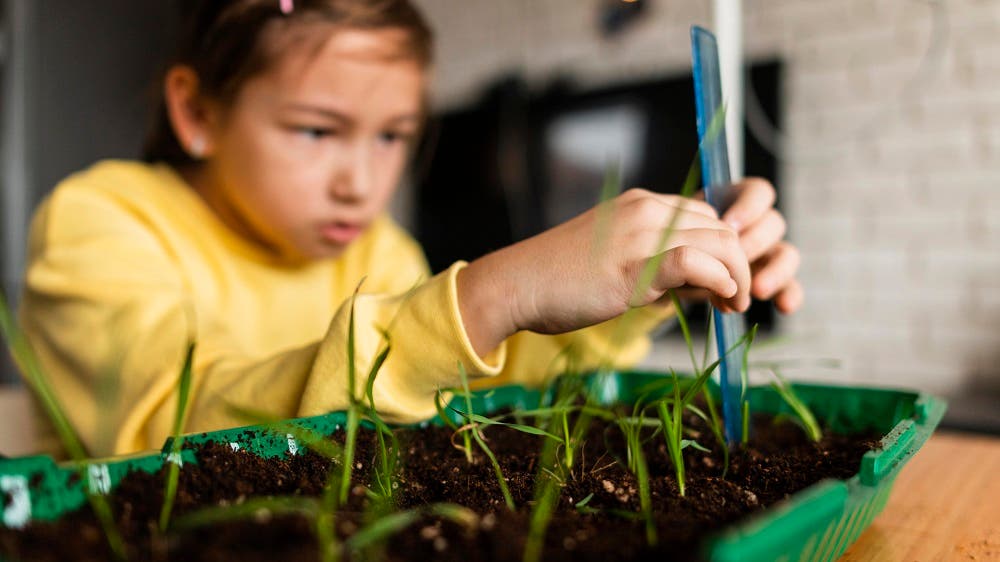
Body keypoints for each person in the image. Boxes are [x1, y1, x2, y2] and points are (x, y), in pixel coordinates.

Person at [18, 0, 802, 457]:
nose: (360, 182)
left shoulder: (377, 250)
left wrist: (658, 280)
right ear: (197, 112)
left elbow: (484, 384)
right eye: (316, 131)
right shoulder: (101, 221)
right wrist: (490, 293)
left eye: (392, 136)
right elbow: (166, 424)